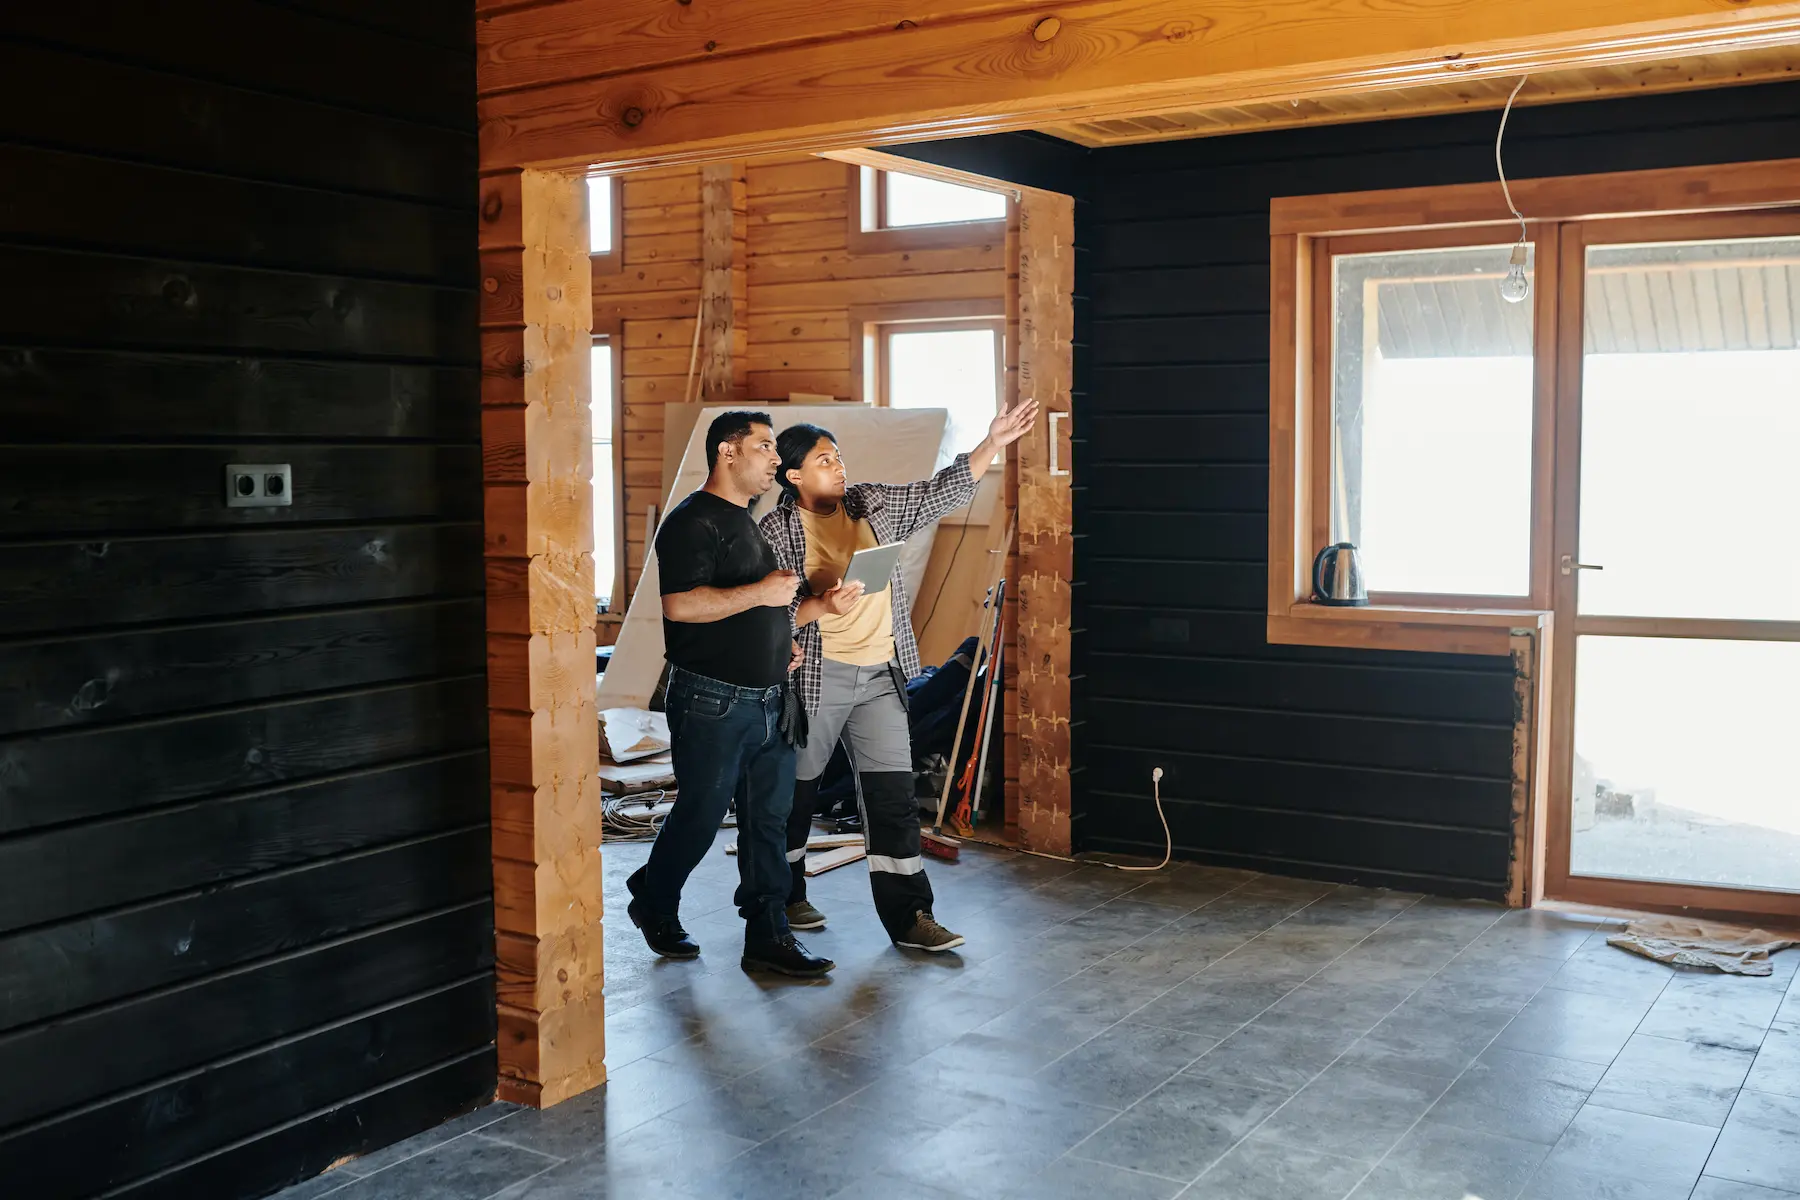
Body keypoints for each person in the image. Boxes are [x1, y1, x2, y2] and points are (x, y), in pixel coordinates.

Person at [759, 399, 1038, 952]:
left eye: (838, 456)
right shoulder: (776, 531)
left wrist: (993, 442)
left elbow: (942, 491)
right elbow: (767, 612)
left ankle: (911, 917)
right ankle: (784, 895)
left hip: (882, 674)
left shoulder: (873, 504)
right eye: (822, 460)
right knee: (796, 794)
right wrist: (822, 603)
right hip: (818, 677)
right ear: (792, 476)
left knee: (892, 797)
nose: (838, 467)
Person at [624, 411, 834, 978]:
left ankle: (768, 936)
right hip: (712, 702)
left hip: (770, 698)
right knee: (700, 816)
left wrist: (781, 645)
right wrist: (765, 592)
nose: (774, 457)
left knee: (768, 822)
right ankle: (654, 899)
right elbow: (682, 606)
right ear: (727, 452)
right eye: (764, 446)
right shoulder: (692, 522)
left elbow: (753, 611)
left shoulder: (747, 521)